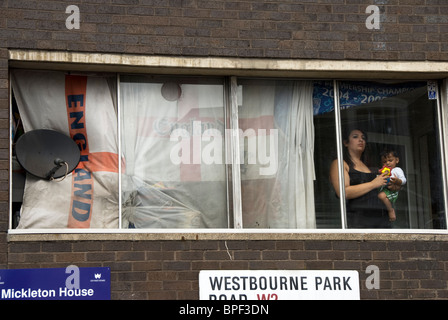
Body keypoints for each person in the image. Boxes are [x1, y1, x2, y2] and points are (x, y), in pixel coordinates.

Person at [329, 127, 390, 228]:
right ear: (345, 143)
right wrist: (373, 184)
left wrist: (395, 185)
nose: (361, 140)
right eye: (355, 137)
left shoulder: (369, 165)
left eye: (363, 138)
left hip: (381, 218)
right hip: (359, 220)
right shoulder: (340, 163)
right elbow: (343, 192)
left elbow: (381, 189)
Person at [377, 150, 406, 222]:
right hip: (385, 189)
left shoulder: (397, 170)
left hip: (392, 192)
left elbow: (404, 180)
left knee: (381, 196)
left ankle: (390, 210)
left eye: (390, 160)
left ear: (397, 160)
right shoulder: (384, 171)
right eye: (384, 161)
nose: (387, 163)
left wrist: (397, 181)